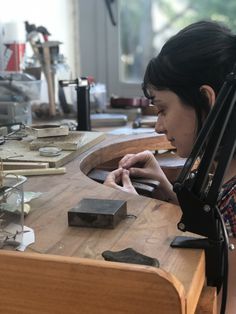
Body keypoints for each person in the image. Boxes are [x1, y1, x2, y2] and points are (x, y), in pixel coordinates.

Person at [104, 20, 236, 237]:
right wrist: (166, 188)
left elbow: (201, 268)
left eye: (162, 109)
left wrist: (135, 213)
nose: (158, 127)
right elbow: (208, 228)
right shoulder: (226, 178)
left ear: (206, 99)